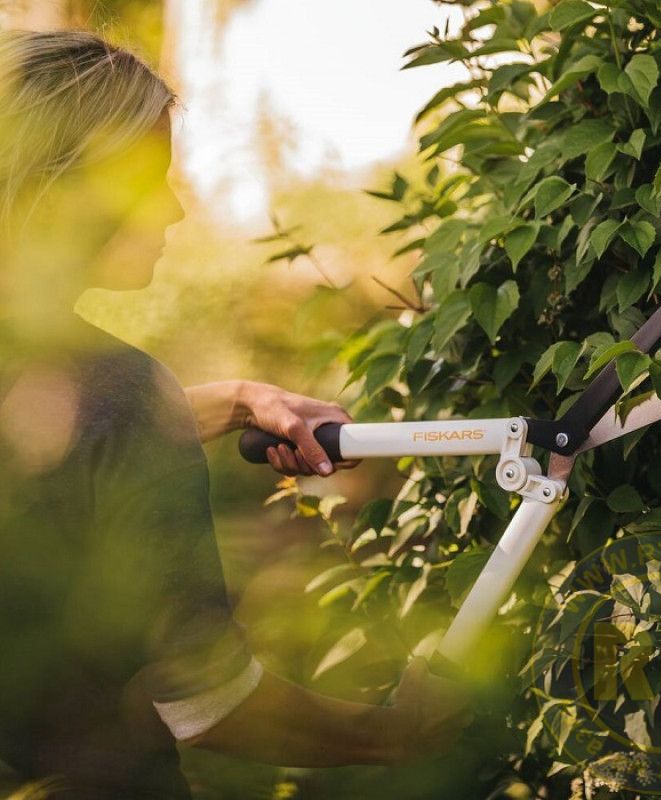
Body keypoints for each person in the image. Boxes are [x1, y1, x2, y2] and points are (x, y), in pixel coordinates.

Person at [0, 29, 472, 799]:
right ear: (63, 189)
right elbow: (210, 704)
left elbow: (48, 462)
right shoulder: (119, 391)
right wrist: (393, 736)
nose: (176, 209)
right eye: (147, 181)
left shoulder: (76, 392)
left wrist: (220, 402)